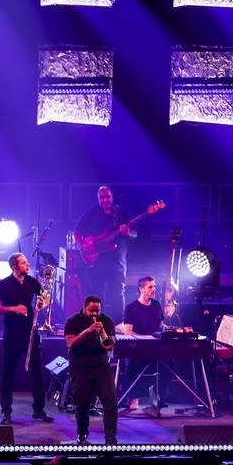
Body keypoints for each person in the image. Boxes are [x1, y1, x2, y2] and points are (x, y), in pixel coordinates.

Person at [0, 252, 54, 425]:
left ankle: (38, 410)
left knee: (37, 372)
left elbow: (46, 298)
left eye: (26, 262)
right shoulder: (4, 284)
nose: (28, 264)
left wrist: (43, 304)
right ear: (15, 267)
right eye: (23, 263)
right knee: (8, 372)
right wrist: (13, 309)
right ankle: (6, 412)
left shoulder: (32, 281)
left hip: (31, 332)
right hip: (13, 333)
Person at [72, 186, 136, 316]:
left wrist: (127, 232)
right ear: (98, 198)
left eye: (107, 197)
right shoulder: (92, 213)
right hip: (97, 262)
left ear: (112, 197)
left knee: (118, 295)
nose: (105, 200)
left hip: (117, 262)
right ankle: (98, 322)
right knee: (97, 295)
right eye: (102, 197)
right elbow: (76, 231)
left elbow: (134, 234)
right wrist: (83, 245)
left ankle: (118, 323)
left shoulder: (121, 213)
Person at [64, 294, 118, 445]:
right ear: (84, 308)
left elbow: (109, 345)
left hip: (101, 368)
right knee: (82, 404)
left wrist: (103, 333)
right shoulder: (72, 321)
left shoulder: (106, 320)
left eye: (97, 311)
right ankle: (82, 437)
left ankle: (111, 439)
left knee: (111, 402)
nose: (94, 314)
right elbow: (70, 343)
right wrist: (87, 331)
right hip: (80, 368)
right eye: (91, 311)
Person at [122, 276, 170, 407]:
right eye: (150, 287)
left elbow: (160, 325)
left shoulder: (156, 305)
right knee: (131, 365)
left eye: (154, 286)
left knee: (172, 363)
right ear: (141, 289)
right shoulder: (131, 308)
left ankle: (156, 391)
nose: (154, 289)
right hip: (138, 348)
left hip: (155, 348)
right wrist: (145, 339)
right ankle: (133, 397)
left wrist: (170, 329)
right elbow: (128, 331)